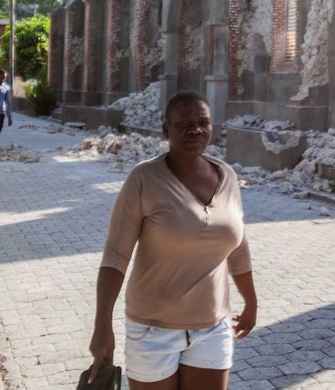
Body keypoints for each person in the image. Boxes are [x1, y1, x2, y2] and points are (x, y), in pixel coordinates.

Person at [88, 91, 257, 389]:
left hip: (212, 328)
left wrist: (251, 301)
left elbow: (238, 246)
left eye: (203, 122)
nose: (195, 130)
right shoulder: (143, 179)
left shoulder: (227, 176)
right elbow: (116, 256)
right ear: (166, 129)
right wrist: (103, 325)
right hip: (152, 331)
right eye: (184, 123)